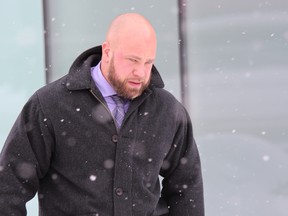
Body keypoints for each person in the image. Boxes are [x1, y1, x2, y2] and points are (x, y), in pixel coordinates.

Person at [0, 13, 204, 216]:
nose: (141, 73)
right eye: (133, 60)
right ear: (107, 51)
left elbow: (186, 190)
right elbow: (8, 187)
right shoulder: (49, 105)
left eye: (148, 62)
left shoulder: (167, 110)